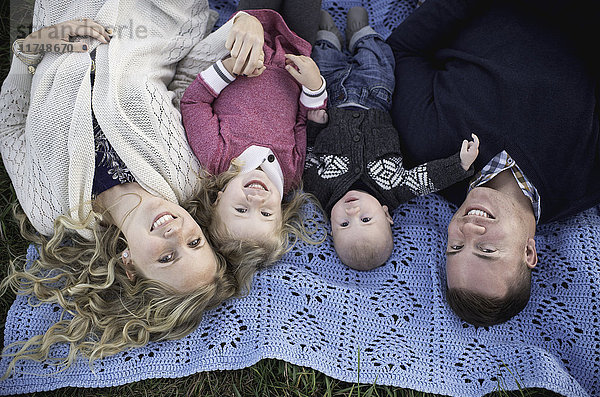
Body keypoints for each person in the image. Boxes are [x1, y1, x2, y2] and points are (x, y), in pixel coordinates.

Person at [0, 0, 266, 377]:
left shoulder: (51, 211)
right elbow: (184, 80)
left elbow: (11, 124)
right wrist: (241, 28)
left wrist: (35, 46)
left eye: (166, 258)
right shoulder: (185, 174)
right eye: (194, 243)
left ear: (128, 265)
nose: (177, 234)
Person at [386, 0, 600, 325]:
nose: (469, 230)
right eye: (486, 250)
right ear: (529, 253)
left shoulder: (431, 148)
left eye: (456, 246)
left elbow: (402, 52)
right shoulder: (585, 178)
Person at [303, 7, 479, 271]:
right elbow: (426, 178)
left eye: (344, 224)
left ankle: (327, 37)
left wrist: (314, 126)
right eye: (366, 219)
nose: (352, 213)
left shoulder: (318, 188)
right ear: (386, 215)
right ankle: (362, 34)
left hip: (329, 97)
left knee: (322, 58)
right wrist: (460, 165)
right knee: (380, 60)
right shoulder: (393, 188)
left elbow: (307, 153)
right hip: (375, 97)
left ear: (330, 226)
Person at [180, 0, 327, 266]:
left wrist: (228, 69)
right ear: (282, 213)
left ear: (218, 201)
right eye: (266, 213)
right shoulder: (291, 174)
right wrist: (315, 87)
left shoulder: (216, 157)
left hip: (249, 39)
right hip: (295, 47)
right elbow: (302, 123)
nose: (256, 199)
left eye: (241, 209)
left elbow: (193, 104)